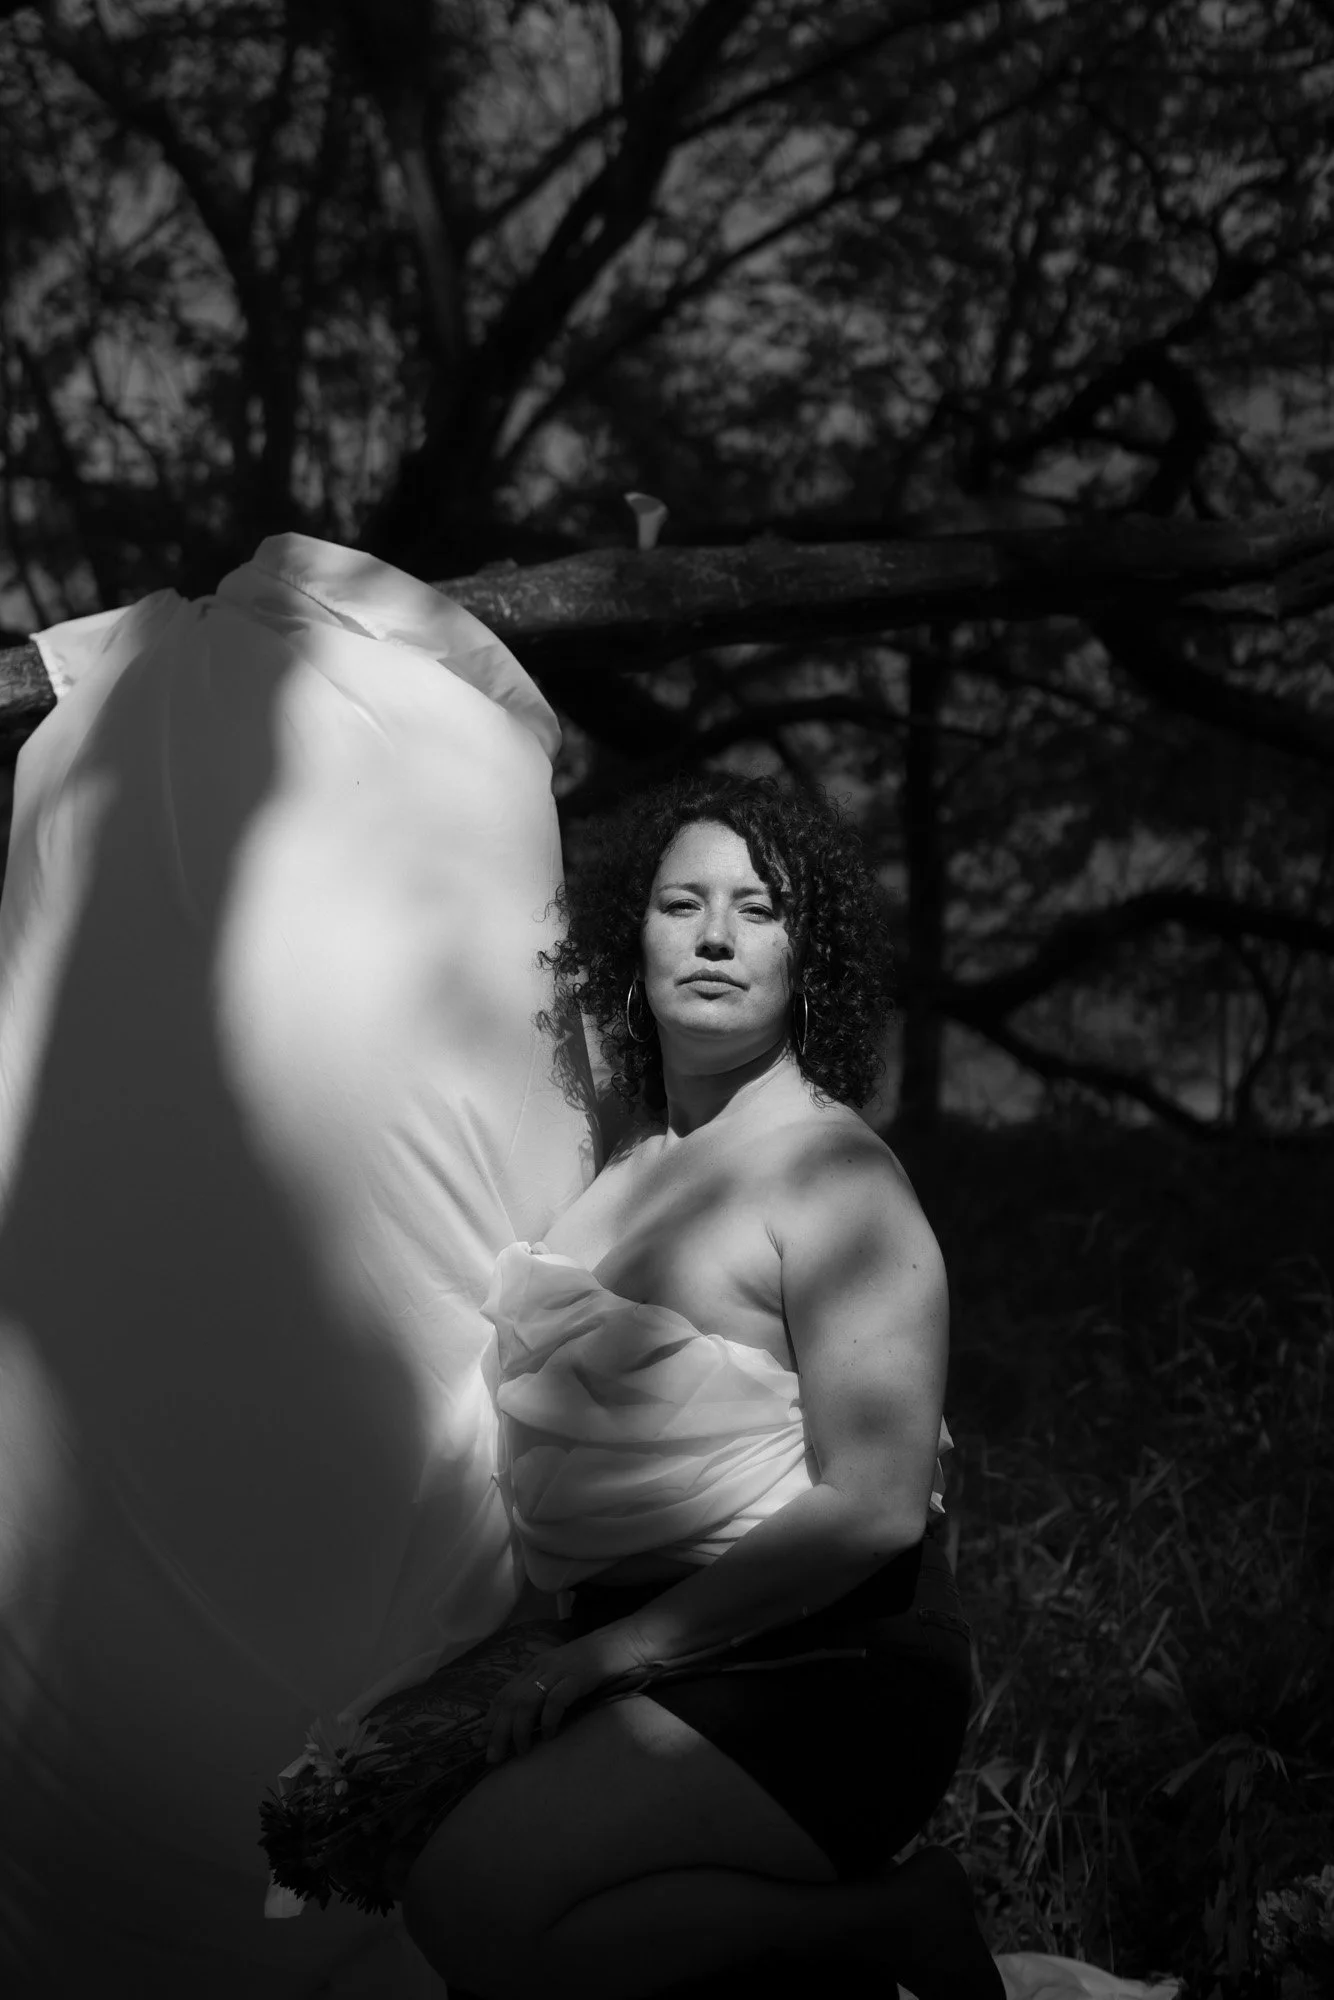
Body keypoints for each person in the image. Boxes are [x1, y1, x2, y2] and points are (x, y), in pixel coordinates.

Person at [400, 773, 1006, 2000]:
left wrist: (617, 1651)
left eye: (756, 908)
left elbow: (877, 1501)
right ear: (633, 937)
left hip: (827, 1659)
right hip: (638, 1649)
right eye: (682, 903)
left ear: (805, 956)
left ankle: (891, 1920)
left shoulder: (834, 1174)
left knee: (469, 1894)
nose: (716, 935)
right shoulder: (615, 1168)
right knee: (429, 1874)